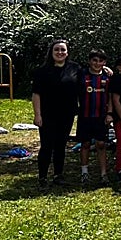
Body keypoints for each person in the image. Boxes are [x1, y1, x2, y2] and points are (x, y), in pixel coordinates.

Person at [31, 38, 81, 187]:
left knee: (61, 145)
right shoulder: (42, 71)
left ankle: (58, 175)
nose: (60, 52)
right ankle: (42, 177)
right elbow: (36, 94)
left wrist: (106, 69)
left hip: (67, 114)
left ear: (67, 52)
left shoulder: (75, 68)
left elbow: (91, 73)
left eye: (63, 50)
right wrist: (37, 115)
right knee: (46, 146)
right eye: (57, 50)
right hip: (47, 115)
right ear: (51, 52)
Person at [75, 48, 113, 186]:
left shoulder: (108, 77)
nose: (97, 63)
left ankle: (104, 174)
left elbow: (111, 97)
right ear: (89, 61)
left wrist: (109, 114)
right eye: (94, 60)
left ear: (105, 62)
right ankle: (84, 173)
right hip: (85, 116)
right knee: (85, 144)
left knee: (101, 144)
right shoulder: (81, 75)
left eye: (101, 61)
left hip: (101, 116)